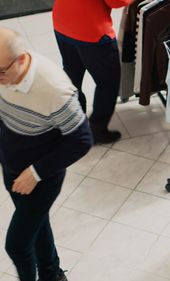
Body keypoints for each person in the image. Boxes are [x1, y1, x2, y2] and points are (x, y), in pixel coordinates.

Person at [0, 28, 92, 281]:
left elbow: (82, 140)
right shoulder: (6, 72)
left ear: (21, 60)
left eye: (0, 71)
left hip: (40, 178)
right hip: (10, 166)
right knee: (36, 226)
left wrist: (36, 172)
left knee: (17, 245)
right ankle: (52, 274)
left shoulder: (53, 88)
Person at [52, 0, 134, 144]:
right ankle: (97, 130)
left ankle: (74, 125)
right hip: (91, 30)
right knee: (108, 83)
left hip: (62, 20)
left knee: (73, 76)